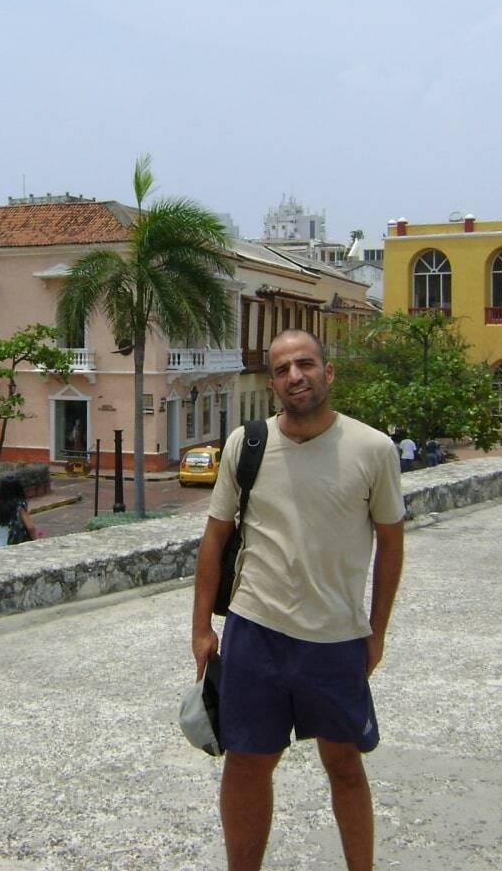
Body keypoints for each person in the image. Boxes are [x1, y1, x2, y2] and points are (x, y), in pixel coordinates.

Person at [191, 329, 405, 871]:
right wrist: (201, 629)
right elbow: (214, 538)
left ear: (327, 372)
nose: (295, 376)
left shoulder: (372, 449)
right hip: (255, 630)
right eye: (283, 369)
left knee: (345, 765)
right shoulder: (248, 443)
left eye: (305, 364)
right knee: (247, 764)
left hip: (334, 636)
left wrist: (375, 632)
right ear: (272, 383)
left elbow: (391, 544)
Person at [0, 477, 37, 549]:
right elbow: (30, 528)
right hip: (18, 547)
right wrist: (36, 542)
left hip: (0, 546)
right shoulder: (20, 507)